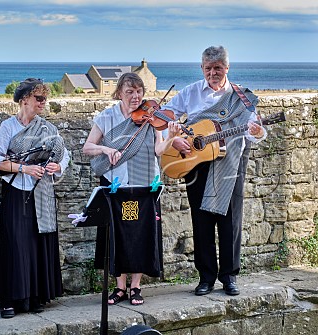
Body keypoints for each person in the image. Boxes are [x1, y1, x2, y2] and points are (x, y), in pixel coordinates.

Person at [160, 45, 266, 296]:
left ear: (227, 68)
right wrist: (173, 139)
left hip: (231, 163)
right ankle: (206, 277)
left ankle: (229, 277)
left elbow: (258, 130)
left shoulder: (241, 97)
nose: (213, 73)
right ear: (202, 68)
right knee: (202, 221)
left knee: (231, 222)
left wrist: (258, 131)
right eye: (208, 68)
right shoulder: (191, 93)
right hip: (197, 161)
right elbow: (164, 118)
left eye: (218, 68)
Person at [82, 72, 180, 306]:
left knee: (140, 234)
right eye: (130, 92)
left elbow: (159, 150)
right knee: (118, 234)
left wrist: (171, 138)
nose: (136, 97)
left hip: (144, 182)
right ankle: (119, 287)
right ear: (119, 93)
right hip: (116, 184)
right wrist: (106, 150)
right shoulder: (106, 117)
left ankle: (136, 287)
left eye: (139, 92)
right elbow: (87, 147)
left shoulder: (152, 117)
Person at [0, 78, 70, 318]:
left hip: (42, 193)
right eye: (39, 98)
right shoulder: (8, 127)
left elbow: (66, 155)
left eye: (45, 98)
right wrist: (24, 168)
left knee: (36, 244)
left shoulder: (47, 128)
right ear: (24, 100)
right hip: (16, 190)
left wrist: (58, 166)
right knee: (16, 245)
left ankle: (35, 296)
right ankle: (10, 300)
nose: (43, 103)